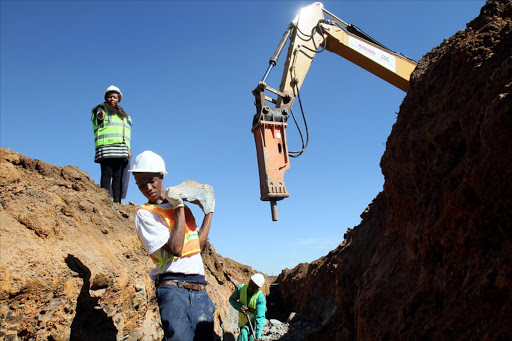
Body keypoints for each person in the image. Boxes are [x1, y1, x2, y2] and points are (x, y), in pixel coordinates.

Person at [129, 150, 216, 341]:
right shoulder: (146, 214)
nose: (147, 188)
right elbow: (176, 249)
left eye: (151, 181)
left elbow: (197, 246)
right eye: (141, 185)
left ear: (161, 177)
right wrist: (178, 208)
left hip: (199, 288)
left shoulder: (183, 209)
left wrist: (209, 212)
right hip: (174, 289)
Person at [91, 85, 132, 203]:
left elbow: (127, 135)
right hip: (106, 149)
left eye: (114, 97)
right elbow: (98, 114)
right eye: (109, 97)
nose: (112, 99)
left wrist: (128, 149)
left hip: (120, 150)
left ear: (119, 99)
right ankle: (105, 201)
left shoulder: (125, 116)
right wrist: (100, 115)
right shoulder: (102, 109)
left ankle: (117, 202)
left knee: (118, 176)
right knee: (106, 173)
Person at [229, 273, 266, 341]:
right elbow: (231, 299)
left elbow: (260, 317)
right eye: (251, 283)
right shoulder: (241, 289)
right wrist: (239, 307)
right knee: (243, 333)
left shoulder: (259, 297)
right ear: (249, 280)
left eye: (254, 287)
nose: (251, 287)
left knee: (251, 338)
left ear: (258, 287)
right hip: (243, 322)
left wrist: (258, 336)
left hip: (253, 324)